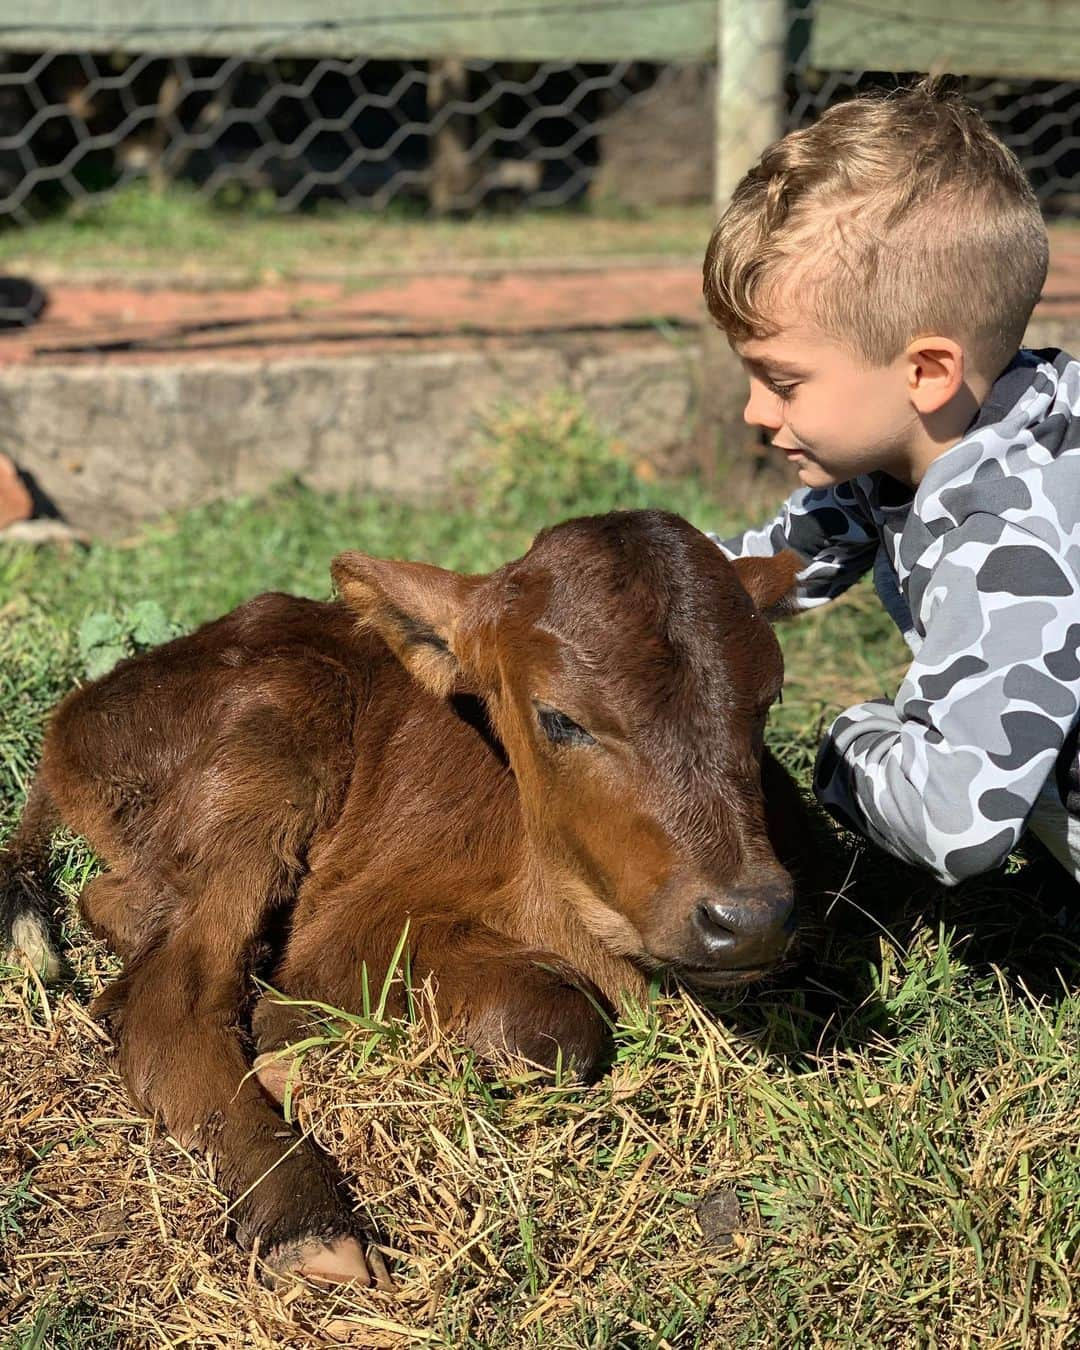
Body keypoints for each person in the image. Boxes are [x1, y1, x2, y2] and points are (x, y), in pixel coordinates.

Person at [704, 80, 1080, 887]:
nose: (754, 412)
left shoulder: (1010, 543)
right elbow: (761, 568)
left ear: (927, 371)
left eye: (783, 380)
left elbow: (957, 823)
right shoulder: (936, 441)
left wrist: (845, 747)